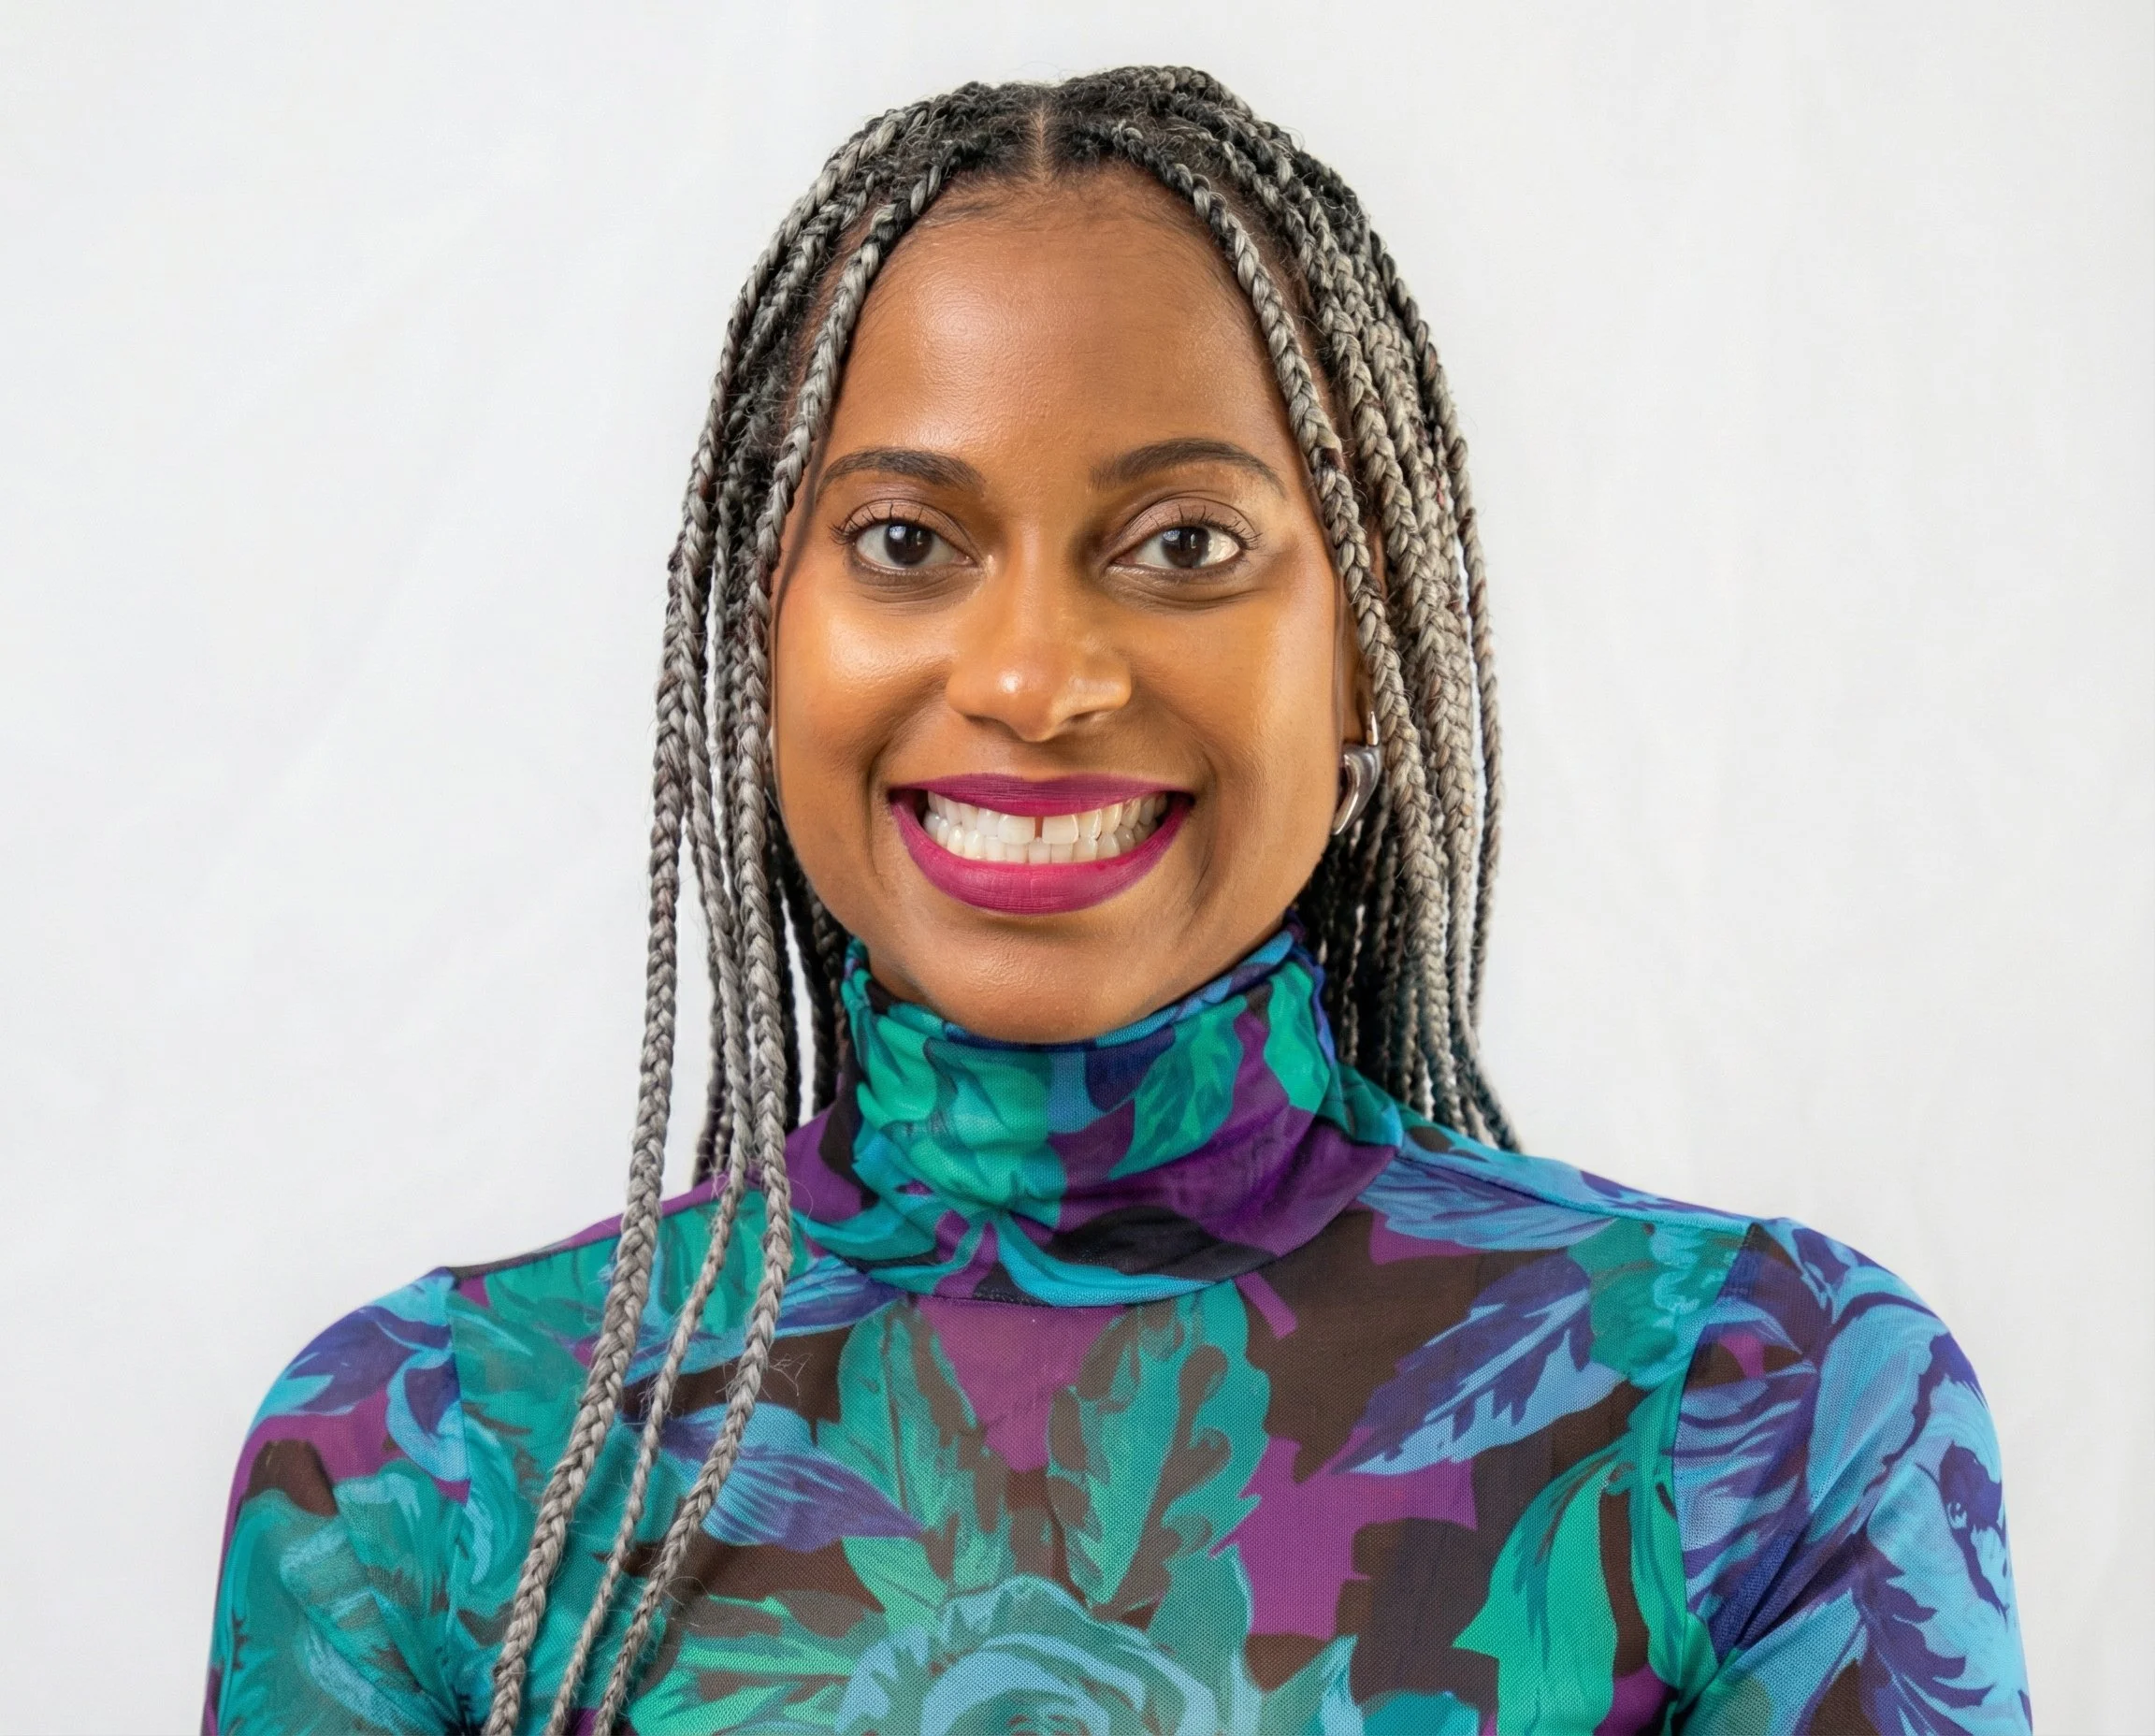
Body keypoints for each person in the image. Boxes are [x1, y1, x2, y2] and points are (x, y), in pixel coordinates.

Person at [203, 68, 2030, 1734]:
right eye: (906, 543)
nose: (1033, 674)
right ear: (764, 633)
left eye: (1185, 545)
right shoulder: (425, 1466)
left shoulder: (1761, 1413)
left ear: (1369, 640)